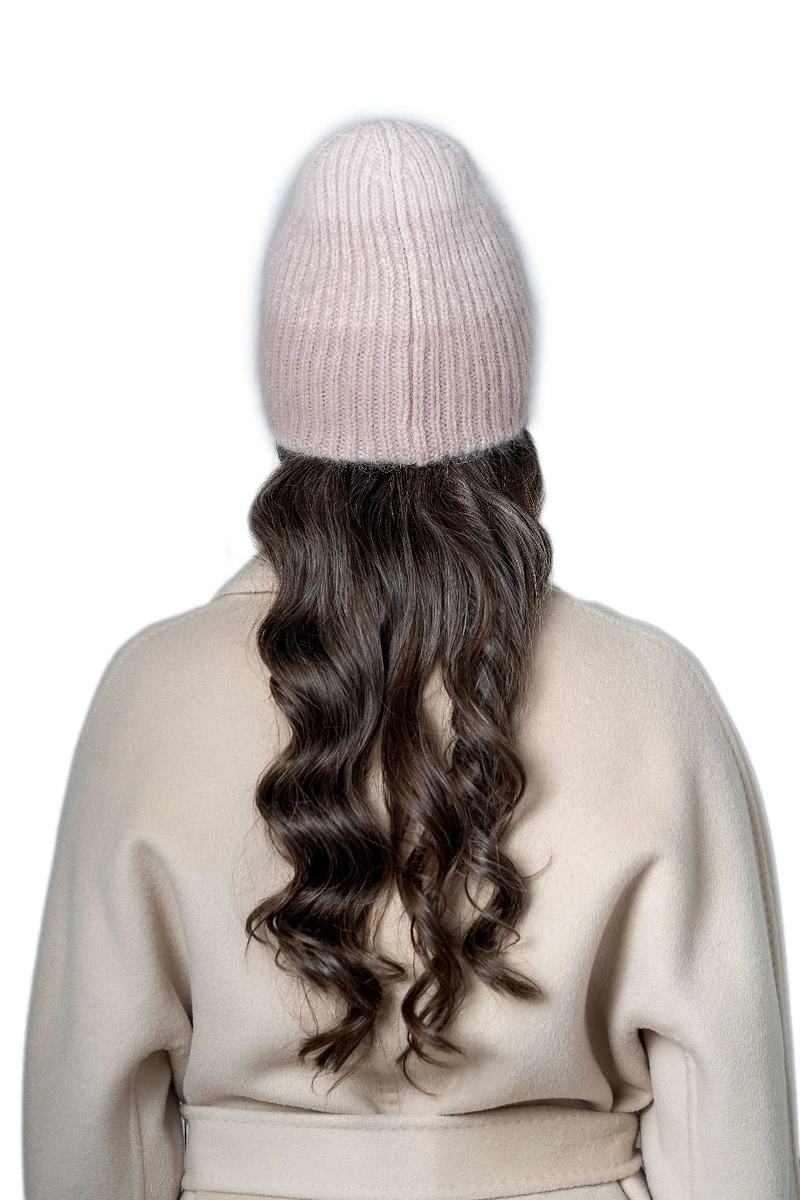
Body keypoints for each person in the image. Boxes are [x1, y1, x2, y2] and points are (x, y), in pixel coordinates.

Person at [22, 116, 800, 1200]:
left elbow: (89, 1117)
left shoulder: (147, 696)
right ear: (505, 404)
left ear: (291, 399)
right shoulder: (654, 694)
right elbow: (731, 1130)